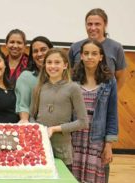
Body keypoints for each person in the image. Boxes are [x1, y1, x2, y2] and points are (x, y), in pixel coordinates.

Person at [31, 48, 88, 167]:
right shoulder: (39, 87)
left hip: (62, 149)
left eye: (57, 62)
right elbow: (32, 116)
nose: (52, 66)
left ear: (65, 65)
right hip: (39, 145)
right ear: (45, 65)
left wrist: (54, 129)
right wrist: (38, 129)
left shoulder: (73, 88)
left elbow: (83, 122)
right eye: (49, 62)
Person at [71, 40, 118, 183]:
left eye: (94, 53)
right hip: (74, 137)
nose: (90, 57)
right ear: (81, 56)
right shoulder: (72, 80)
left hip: (96, 139)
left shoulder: (109, 81)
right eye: (86, 53)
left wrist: (108, 145)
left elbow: (112, 114)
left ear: (101, 57)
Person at [68, 8, 127, 91]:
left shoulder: (116, 47)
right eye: (89, 24)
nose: (93, 28)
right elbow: (69, 76)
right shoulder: (75, 47)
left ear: (105, 25)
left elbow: (121, 78)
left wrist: (111, 96)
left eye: (97, 24)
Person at [15, 36, 53, 123]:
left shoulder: (61, 76)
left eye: (43, 49)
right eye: (35, 51)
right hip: (34, 127)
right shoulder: (26, 77)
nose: (39, 54)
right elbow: (23, 105)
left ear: (51, 51)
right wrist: (24, 120)